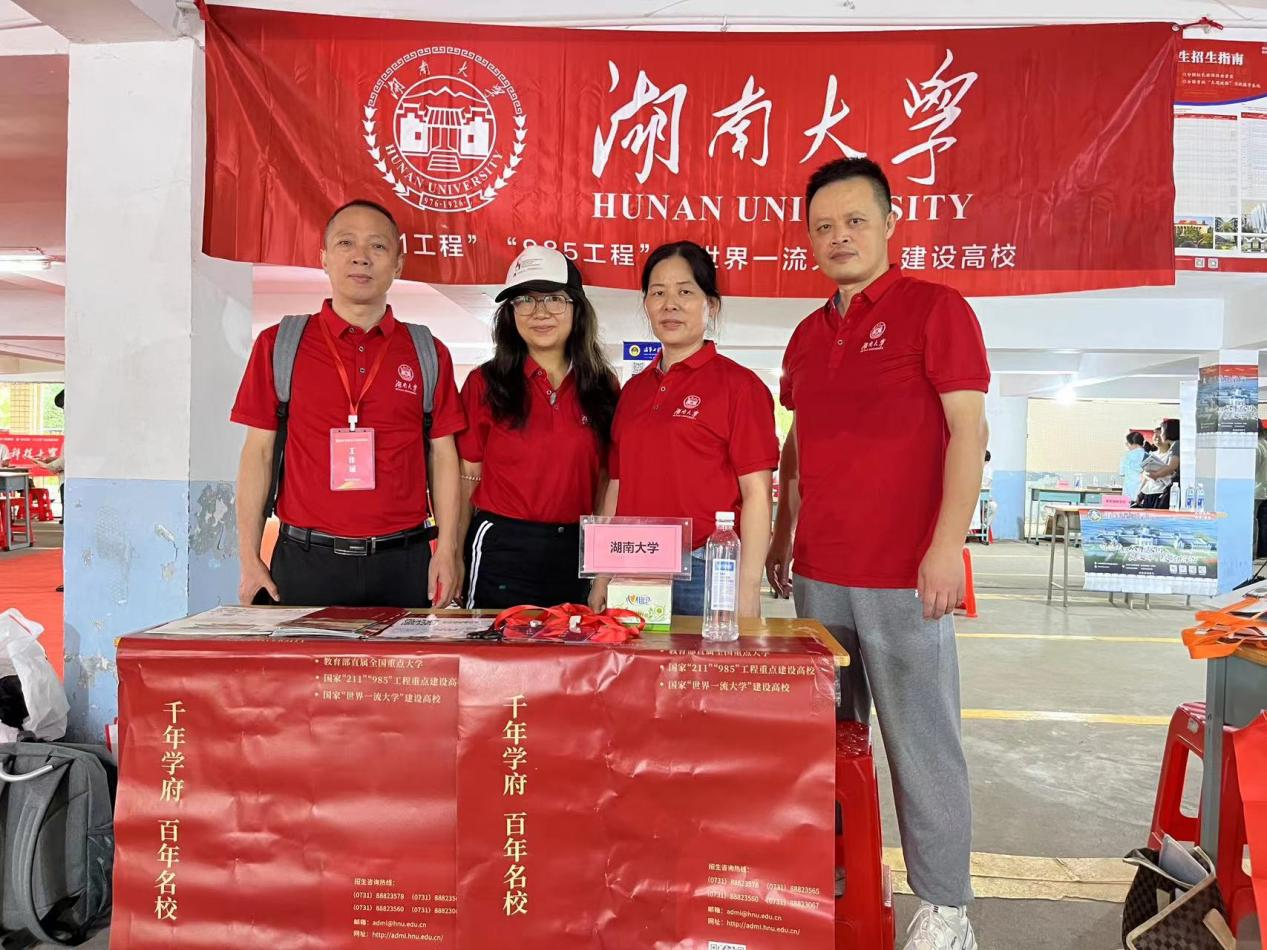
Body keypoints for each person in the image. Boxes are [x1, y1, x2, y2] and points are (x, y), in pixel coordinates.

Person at [767, 157, 988, 950]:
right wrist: (783, 533)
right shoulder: (805, 334)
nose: (839, 237)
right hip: (819, 576)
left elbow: (967, 431)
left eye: (855, 220)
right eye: (823, 226)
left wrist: (945, 546)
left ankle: (946, 909)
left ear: (890, 223)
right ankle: (832, 876)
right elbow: (798, 443)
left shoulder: (936, 309)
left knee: (921, 745)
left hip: (903, 574)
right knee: (824, 740)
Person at [231, 199, 465, 608]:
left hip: (403, 562)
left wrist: (447, 549)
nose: (361, 257)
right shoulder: (279, 345)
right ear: (323, 257)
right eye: (346, 243)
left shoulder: (428, 351)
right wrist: (249, 558)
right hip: (306, 561)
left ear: (398, 264)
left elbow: (444, 455)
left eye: (378, 246)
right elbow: (258, 452)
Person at [590, 241, 778, 617]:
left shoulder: (740, 387)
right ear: (646, 303)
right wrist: (602, 575)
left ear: (712, 305)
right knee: (632, 658)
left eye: (685, 292)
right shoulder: (634, 391)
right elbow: (618, 487)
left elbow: (756, 495)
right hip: (634, 565)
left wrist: (747, 594)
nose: (670, 304)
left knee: (698, 660)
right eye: (658, 292)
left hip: (704, 567)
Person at [457, 247, 618, 608]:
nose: (540, 312)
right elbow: (468, 475)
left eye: (554, 299)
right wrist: (453, 552)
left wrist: (603, 568)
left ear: (577, 308)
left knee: (573, 643)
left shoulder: (602, 386)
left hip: (576, 548)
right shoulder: (486, 383)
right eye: (525, 300)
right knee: (495, 643)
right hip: (503, 546)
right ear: (510, 312)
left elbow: (607, 479)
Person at [1138, 420, 1179, 509]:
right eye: (1155, 434)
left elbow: (1171, 469)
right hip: (1148, 492)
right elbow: (1145, 478)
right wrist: (1139, 494)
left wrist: (1156, 475)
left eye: (1160, 433)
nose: (1157, 437)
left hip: (1161, 493)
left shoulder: (1173, 452)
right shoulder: (1151, 454)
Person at [1119, 431, 1147, 501]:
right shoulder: (1148, 455)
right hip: (1142, 493)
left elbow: (1122, 473)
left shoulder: (1126, 456)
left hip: (1128, 492)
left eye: (1127, 443)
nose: (1126, 445)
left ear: (1133, 443)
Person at [1255, 423, 1266, 559]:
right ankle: (1263, 553)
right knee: (1264, 524)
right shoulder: (1265, 444)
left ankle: (1253, 553)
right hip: (1264, 489)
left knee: (1253, 523)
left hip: (1256, 491)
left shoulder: (1256, 447)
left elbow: (1251, 470)